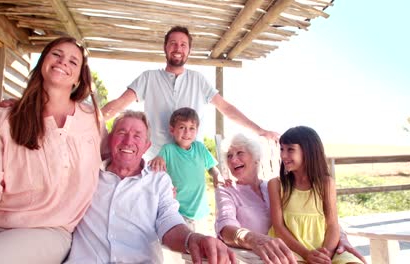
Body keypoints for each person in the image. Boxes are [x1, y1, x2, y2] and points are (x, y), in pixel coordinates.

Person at [0, 37, 103, 263]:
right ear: (42, 63)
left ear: (79, 78)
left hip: (46, 230)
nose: (62, 62)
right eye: (56, 54)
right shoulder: (4, 118)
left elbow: (117, 157)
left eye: (73, 61)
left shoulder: (91, 121)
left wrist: (156, 178)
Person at [65, 110, 236, 264]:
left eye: (137, 136)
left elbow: (169, 221)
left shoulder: (159, 181)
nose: (128, 141)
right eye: (122, 132)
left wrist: (191, 238)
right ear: (110, 140)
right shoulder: (87, 174)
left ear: (147, 146)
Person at [101, 26, 280, 160]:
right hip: (155, 162)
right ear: (165, 48)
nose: (178, 48)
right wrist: (91, 121)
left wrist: (260, 131)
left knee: (190, 211)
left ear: (189, 51)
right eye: (173, 43)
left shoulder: (198, 80)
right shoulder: (149, 78)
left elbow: (226, 108)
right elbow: (119, 104)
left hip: (190, 162)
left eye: (183, 45)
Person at [215, 133, 366, 264]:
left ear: (256, 158)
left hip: (305, 249)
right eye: (229, 156)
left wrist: (342, 238)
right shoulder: (227, 190)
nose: (233, 160)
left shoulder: (277, 187)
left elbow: (320, 217)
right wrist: (251, 238)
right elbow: (226, 229)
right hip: (268, 257)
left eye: (239, 153)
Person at [268, 126, 363, 264]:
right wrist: (306, 254)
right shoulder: (276, 184)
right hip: (293, 250)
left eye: (290, 149)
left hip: (325, 248)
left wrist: (326, 253)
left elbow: (332, 225)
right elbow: (279, 227)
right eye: (282, 149)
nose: (283, 155)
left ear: (308, 151)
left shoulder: (326, 183)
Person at [150, 107, 228, 234]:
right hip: (179, 212)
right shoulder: (168, 150)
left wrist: (216, 175)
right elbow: (159, 165)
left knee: (203, 247)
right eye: (182, 127)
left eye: (192, 128)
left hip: (201, 212)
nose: (187, 132)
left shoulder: (200, 148)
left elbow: (211, 167)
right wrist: (158, 159)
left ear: (196, 131)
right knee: (185, 248)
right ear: (172, 130)